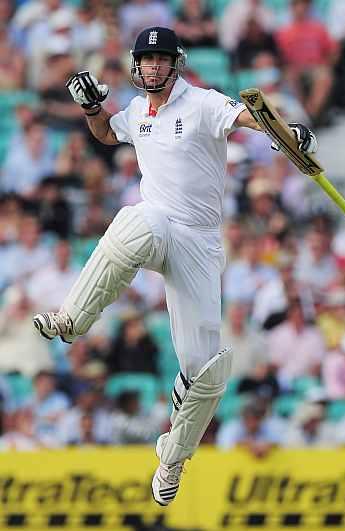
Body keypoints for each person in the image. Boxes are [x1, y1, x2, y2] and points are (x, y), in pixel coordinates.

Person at [33, 26, 318, 505]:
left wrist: (291, 136)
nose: (153, 67)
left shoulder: (202, 102)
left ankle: (172, 459)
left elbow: (250, 117)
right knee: (136, 219)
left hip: (200, 244)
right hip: (159, 223)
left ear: (175, 63)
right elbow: (106, 133)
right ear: (136, 65)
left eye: (161, 60)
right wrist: (90, 109)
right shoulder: (136, 111)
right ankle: (72, 319)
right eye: (146, 61)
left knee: (205, 369)